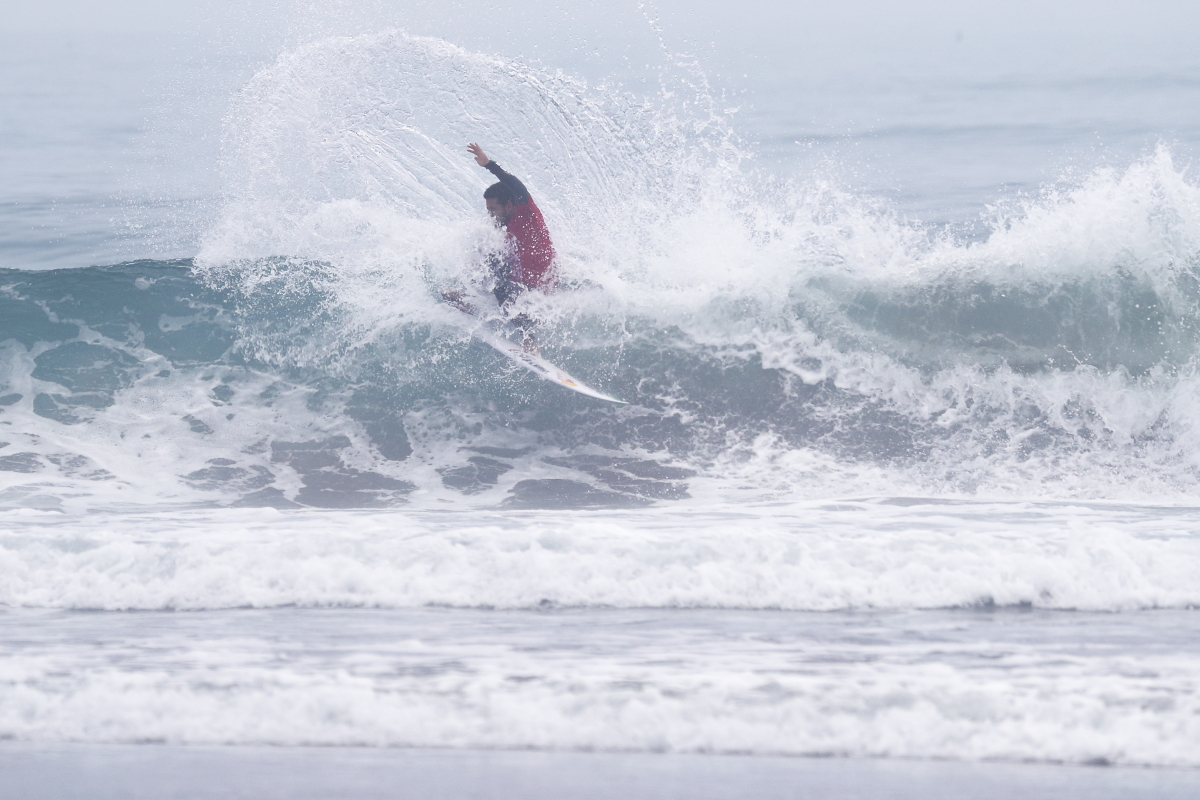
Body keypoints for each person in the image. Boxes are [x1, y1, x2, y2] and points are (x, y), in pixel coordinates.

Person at [444, 143, 556, 353]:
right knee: (490, 254)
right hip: (521, 281)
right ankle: (469, 298)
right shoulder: (504, 224)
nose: (490, 214)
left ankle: (529, 339)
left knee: (500, 279)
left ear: (509, 205)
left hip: (539, 286)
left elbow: (516, 186)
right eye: (488, 210)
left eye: (493, 209)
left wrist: (489, 165)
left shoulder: (526, 212)